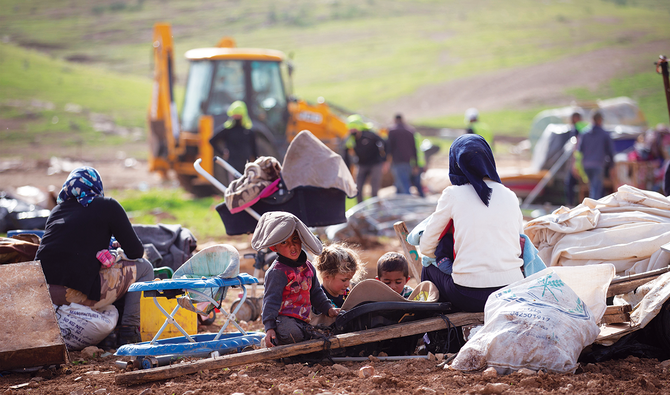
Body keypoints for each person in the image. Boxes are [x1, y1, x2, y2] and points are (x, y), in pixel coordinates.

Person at [35, 166, 154, 347]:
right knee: (145, 267)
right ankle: (129, 332)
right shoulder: (107, 205)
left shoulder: (57, 211)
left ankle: (110, 336)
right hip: (74, 294)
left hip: (44, 295)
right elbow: (136, 252)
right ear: (96, 186)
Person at [419, 134, 524, 312]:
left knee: (427, 268)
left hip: (469, 295)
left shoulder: (453, 194)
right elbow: (519, 241)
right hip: (512, 290)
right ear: (489, 160)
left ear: (455, 163)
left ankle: (441, 336)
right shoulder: (510, 195)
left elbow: (426, 247)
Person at [251, 211, 339, 348]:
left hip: (304, 320)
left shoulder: (308, 267)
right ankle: (274, 342)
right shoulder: (277, 272)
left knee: (326, 331)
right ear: (274, 247)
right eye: (285, 242)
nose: (292, 246)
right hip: (283, 320)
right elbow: (270, 301)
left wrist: (328, 308)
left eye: (295, 239)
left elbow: (315, 292)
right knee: (292, 334)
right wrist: (269, 328)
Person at [346, 114, 386, 203]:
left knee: (374, 190)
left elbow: (384, 143)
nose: (353, 130)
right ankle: (361, 212)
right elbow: (347, 153)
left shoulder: (370, 135)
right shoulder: (350, 139)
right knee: (358, 189)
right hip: (361, 164)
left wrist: (384, 159)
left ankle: (375, 211)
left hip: (375, 164)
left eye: (354, 128)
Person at [209, 100, 258, 174]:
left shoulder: (249, 131)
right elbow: (212, 140)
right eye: (235, 115)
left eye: (239, 115)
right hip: (232, 166)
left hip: (246, 166)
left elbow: (254, 150)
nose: (237, 117)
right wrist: (223, 153)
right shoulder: (227, 130)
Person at [313, 243, 367, 308]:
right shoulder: (318, 297)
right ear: (327, 276)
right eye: (344, 280)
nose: (347, 284)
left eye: (349, 280)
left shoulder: (347, 295)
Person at [577, 112, 615, 200]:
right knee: (596, 188)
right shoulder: (604, 134)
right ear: (600, 120)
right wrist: (612, 166)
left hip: (586, 164)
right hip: (598, 164)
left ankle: (593, 205)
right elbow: (610, 152)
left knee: (593, 186)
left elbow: (580, 150)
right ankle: (593, 208)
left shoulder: (584, 133)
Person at [386, 113, 418, 195]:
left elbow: (389, 147)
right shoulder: (410, 131)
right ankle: (398, 202)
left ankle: (408, 204)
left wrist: (387, 161)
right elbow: (414, 148)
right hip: (408, 161)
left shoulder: (392, 131)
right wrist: (415, 164)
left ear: (395, 120)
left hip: (397, 161)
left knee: (403, 184)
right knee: (399, 183)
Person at [565, 112, 587, 206]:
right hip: (585, 163)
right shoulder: (586, 128)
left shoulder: (577, 129)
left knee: (570, 183)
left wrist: (574, 164)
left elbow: (576, 149)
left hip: (579, 164)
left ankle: (570, 203)